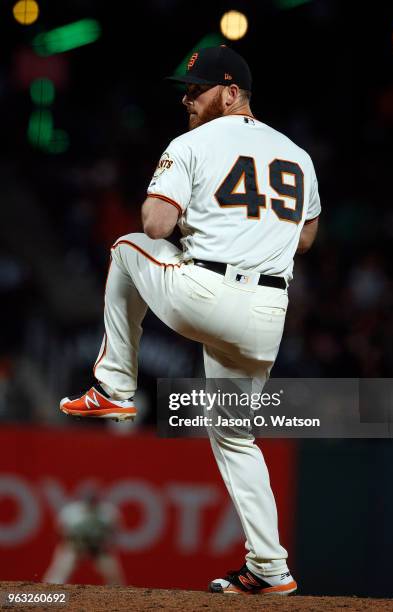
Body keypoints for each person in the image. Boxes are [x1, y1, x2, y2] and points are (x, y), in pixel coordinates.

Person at [60, 46, 320, 595]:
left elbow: (156, 224)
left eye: (197, 89)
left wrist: (202, 230)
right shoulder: (297, 154)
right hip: (269, 316)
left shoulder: (192, 143)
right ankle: (271, 568)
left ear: (231, 93)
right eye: (186, 88)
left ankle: (114, 387)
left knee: (127, 247)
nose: (187, 97)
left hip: (206, 293)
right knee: (236, 435)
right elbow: (305, 236)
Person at [43, 492, 125, 585]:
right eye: (88, 503)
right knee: (61, 569)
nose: (90, 506)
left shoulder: (108, 512)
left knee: (112, 573)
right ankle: (50, 592)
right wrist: (65, 546)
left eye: (93, 503)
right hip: (76, 545)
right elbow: (60, 531)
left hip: (99, 547)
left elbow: (116, 530)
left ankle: (118, 595)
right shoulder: (70, 512)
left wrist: (109, 545)